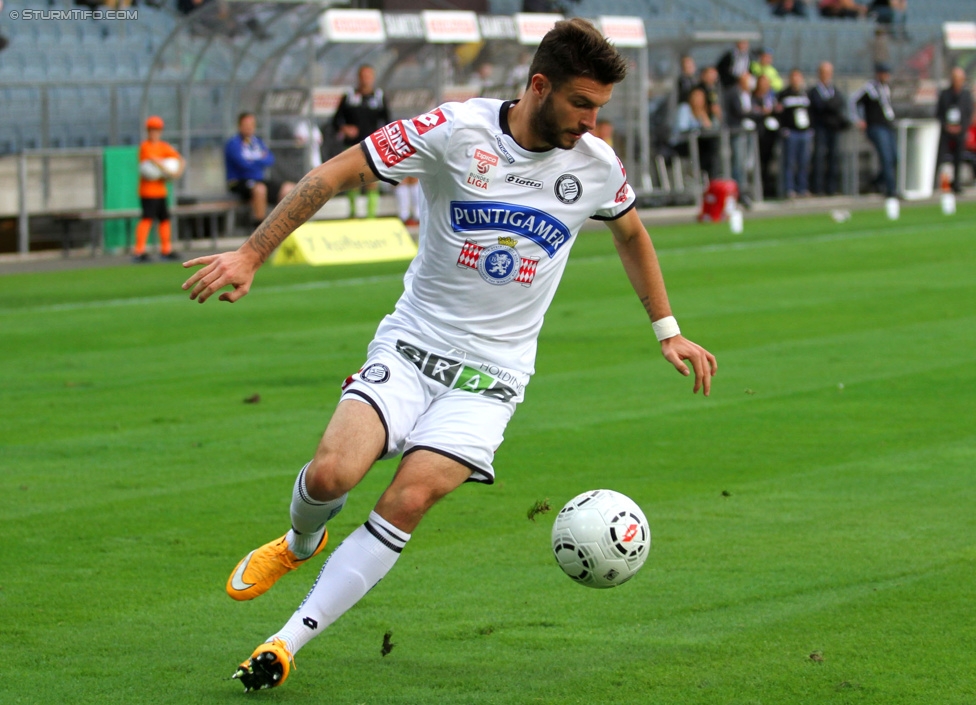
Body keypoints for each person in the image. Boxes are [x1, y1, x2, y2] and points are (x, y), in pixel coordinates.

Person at [181, 18, 717, 693]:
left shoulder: (596, 167)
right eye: (582, 103)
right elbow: (339, 169)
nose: (590, 121)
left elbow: (632, 235)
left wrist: (667, 328)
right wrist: (253, 251)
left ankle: (285, 642)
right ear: (539, 86)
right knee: (329, 474)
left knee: (409, 497)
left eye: (599, 108)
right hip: (412, 345)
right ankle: (297, 543)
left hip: (492, 377)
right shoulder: (455, 131)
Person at [332, 65, 390, 219]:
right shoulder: (350, 96)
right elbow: (336, 120)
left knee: (373, 179)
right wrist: (345, 128)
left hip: (374, 146)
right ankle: (353, 213)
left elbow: (387, 121)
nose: (366, 79)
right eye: (363, 76)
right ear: (358, 78)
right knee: (354, 180)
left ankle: (371, 216)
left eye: (369, 76)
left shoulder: (378, 97)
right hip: (353, 146)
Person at [225, 112, 295, 224]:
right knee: (260, 189)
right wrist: (259, 160)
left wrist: (253, 160)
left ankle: (281, 224)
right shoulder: (233, 143)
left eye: (252, 125)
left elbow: (270, 159)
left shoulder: (257, 142)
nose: (249, 128)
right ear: (240, 126)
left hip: (258, 180)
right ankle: (259, 227)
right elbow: (243, 165)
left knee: (288, 188)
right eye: (246, 125)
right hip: (239, 182)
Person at [134, 116, 184, 263]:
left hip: (161, 191)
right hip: (148, 191)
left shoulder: (163, 146)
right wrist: (168, 172)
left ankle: (166, 249)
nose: (154, 133)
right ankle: (139, 250)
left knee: (164, 219)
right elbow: (152, 162)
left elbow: (180, 160)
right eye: (151, 130)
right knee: (147, 218)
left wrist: (177, 172)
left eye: (156, 130)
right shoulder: (145, 146)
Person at [852, 62, 898, 198]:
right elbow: (853, 101)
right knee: (886, 157)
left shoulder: (886, 88)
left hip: (888, 126)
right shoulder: (870, 88)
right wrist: (858, 119)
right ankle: (891, 189)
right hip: (876, 126)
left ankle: (877, 182)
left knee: (895, 157)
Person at [808, 61, 849, 196]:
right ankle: (817, 188)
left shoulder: (834, 90)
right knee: (819, 157)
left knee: (833, 157)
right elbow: (819, 106)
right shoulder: (814, 91)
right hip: (820, 127)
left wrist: (829, 105)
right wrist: (830, 105)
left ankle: (831, 187)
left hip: (833, 128)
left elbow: (839, 103)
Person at [935, 67, 973, 194]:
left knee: (959, 157)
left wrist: (962, 126)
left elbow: (968, 113)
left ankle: (956, 183)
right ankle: (934, 183)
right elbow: (939, 113)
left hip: (960, 131)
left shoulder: (966, 95)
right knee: (939, 157)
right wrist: (947, 126)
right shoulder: (945, 94)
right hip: (946, 131)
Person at [777, 69, 813, 198]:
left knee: (804, 162)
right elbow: (779, 113)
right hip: (791, 132)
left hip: (804, 132)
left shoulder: (805, 94)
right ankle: (789, 188)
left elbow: (811, 113)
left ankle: (802, 187)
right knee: (790, 162)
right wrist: (783, 128)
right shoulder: (784, 95)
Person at [672, 87, 719, 178]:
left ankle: (709, 175)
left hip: (697, 144)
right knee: (704, 147)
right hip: (681, 143)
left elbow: (710, 129)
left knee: (711, 145)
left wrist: (707, 116)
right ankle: (701, 174)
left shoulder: (703, 112)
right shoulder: (685, 109)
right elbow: (682, 129)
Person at [724, 72, 757, 203]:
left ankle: (747, 190)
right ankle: (739, 192)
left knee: (748, 163)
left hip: (749, 132)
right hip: (738, 132)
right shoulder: (733, 93)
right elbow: (738, 112)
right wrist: (753, 112)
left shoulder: (749, 95)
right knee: (739, 163)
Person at [751, 75, 780, 199]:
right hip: (758, 135)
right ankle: (757, 190)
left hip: (770, 135)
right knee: (758, 162)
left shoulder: (772, 97)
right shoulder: (753, 97)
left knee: (769, 162)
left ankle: (768, 189)